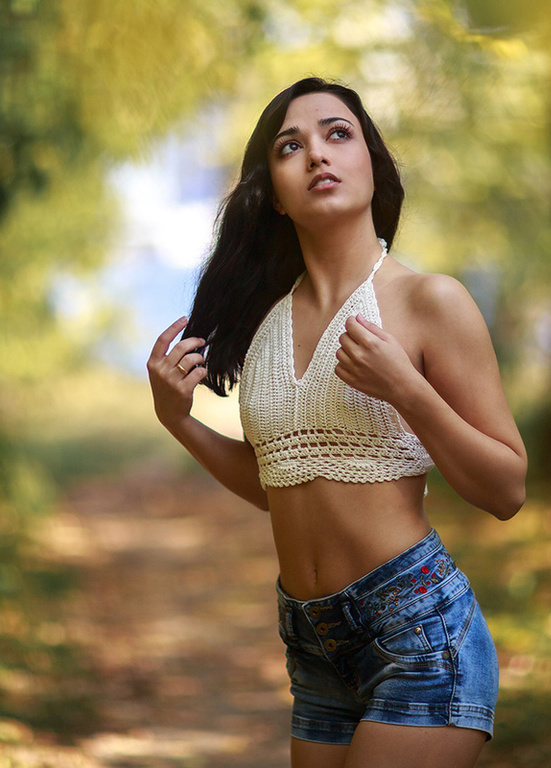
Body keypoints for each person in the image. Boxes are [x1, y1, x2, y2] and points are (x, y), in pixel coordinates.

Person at [147, 77, 527, 768]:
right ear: (273, 194)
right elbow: (281, 483)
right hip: (314, 647)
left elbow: (507, 489)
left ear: (372, 165)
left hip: (418, 634)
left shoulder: (428, 301)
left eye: (337, 133)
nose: (317, 154)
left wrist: (408, 390)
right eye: (291, 146)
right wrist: (181, 423)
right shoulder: (264, 324)